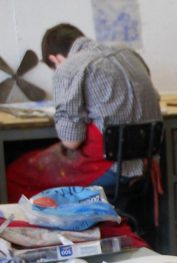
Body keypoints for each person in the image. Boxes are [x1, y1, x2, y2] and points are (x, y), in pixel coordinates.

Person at [5, 23, 162, 205]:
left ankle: (42, 230)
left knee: (16, 173)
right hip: (146, 163)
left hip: (111, 167)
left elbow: (71, 142)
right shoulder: (128, 54)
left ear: (55, 59)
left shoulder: (69, 67)